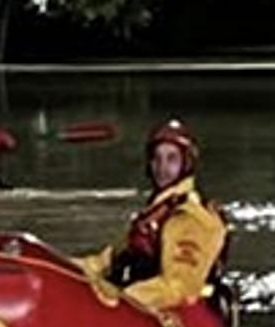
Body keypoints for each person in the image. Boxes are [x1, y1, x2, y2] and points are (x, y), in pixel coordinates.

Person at [73, 119, 231, 311]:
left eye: (171, 159)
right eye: (157, 158)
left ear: (186, 163)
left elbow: (177, 288)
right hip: (144, 304)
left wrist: (120, 300)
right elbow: (104, 263)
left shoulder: (191, 219)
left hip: (182, 320)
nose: (162, 167)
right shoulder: (154, 214)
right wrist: (60, 267)